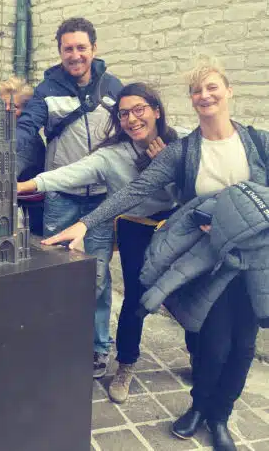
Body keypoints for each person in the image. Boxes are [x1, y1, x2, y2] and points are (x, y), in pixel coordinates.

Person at [42, 57, 268, 451]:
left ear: (228, 91)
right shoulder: (184, 151)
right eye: (197, 91)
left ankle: (220, 417)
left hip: (254, 260)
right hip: (207, 259)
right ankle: (199, 406)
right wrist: (85, 224)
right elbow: (135, 191)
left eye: (212, 87)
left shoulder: (258, 142)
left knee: (244, 345)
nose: (205, 96)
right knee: (214, 342)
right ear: (191, 100)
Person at [18, 82, 178, 400]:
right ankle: (126, 364)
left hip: (176, 223)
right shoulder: (112, 155)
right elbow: (72, 172)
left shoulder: (181, 142)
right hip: (136, 226)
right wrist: (25, 185)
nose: (132, 119)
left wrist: (169, 166)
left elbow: (193, 186)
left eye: (139, 110)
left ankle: (199, 353)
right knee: (136, 298)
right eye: (124, 114)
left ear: (157, 111)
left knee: (186, 291)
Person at [16, 17, 123, 377]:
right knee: (56, 273)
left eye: (81, 47)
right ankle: (57, 340)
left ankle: (98, 346)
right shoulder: (47, 90)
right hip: (62, 196)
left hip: (101, 198)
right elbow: (27, 128)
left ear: (94, 48)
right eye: (68, 49)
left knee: (98, 276)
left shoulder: (113, 87)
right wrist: (5, 154)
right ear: (60, 51)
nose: (75, 55)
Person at [0, 76, 45, 235]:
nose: (7, 110)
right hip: (16, 200)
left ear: (25, 111)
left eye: (14, 106)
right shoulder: (4, 132)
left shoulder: (27, 139)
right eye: (3, 105)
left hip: (33, 205)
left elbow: (11, 168)